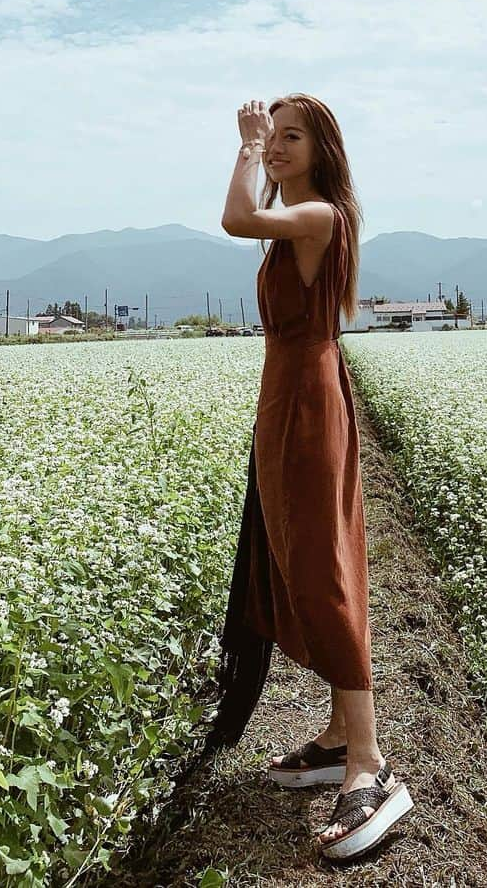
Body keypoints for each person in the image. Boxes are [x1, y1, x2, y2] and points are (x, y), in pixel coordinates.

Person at [204, 93, 413, 861]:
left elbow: (234, 218)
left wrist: (245, 147)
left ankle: (370, 764)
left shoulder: (322, 216)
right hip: (286, 399)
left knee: (322, 571)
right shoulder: (296, 228)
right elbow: (254, 224)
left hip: (308, 404)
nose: (279, 146)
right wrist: (262, 158)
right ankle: (333, 739)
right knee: (297, 561)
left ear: (322, 151)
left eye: (293, 137)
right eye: (274, 135)